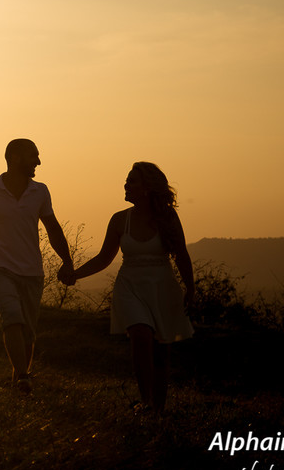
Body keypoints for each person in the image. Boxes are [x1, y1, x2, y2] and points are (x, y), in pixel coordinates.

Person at [63, 162, 195, 413]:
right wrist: (75, 275)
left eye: (131, 181)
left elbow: (181, 254)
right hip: (129, 286)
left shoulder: (167, 217)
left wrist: (190, 288)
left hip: (161, 286)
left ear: (147, 188)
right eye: (126, 180)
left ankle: (158, 407)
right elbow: (104, 258)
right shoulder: (119, 220)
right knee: (140, 335)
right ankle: (144, 402)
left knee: (161, 351)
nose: (126, 185)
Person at [0, 138, 74, 392]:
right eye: (33, 155)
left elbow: (53, 229)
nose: (38, 161)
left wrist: (67, 261)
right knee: (12, 318)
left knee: (28, 332)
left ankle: (19, 378)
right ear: (15, 158)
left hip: (32, 271)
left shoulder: (40, 191)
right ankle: (24, 376)